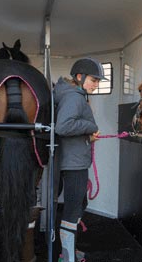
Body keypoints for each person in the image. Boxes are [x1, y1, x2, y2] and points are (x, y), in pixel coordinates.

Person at [51, 58, 103, 262]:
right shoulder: (74, 97)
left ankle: (67, 250)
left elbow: (69, 127)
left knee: (78, 204)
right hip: (73, 164)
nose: (96, 84)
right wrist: (89, 128)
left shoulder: (74, 94)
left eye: (98, 81)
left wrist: (87, 137)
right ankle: (68, 257)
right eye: (93, 79)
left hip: (74, 160)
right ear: (79, 77)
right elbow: (63, 127)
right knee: (73, 210)